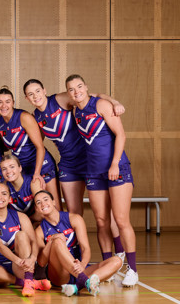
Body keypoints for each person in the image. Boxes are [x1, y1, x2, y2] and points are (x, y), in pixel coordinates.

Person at [66, 74, 138, 287]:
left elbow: (121, 135)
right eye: (71, 89)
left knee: (122, 219)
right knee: (101, 221)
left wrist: (115, 163)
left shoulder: (101, 105)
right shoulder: (75, 109)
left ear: (86, 87)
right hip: (93, 171)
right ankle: (109, 265)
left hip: (117, 168)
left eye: (79, 86)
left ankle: (132, 269)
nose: (76, 91)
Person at [23, 78, 125, 216]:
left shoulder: (60, 99)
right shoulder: (36, 117)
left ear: (44, 91)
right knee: (74, 213)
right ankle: (75, 238)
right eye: (30, 94)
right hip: (68, 165)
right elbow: (37, 144)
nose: (35, 96)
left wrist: (115, 102)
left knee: (106, 215)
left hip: (89, 160)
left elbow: (95, 96)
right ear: (27, 98)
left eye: (37, 91)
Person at [34, 190, 123, 296]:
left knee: (117, 261)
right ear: (37, 209)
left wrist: (83, 264)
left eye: (45, 200)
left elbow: (85, 248)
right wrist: (51, 240)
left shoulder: (74, 219)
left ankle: (77, 286)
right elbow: (41, 262)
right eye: (38, 203)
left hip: (79, 268)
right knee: (57, 241)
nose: (43, 204)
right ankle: (85, 281)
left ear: (54, 202)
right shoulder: (39, 231)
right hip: (60, 275)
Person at [0, 183, 51, 297]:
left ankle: (28, 279)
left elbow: (33, 242)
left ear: (10, 198)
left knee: (21, 235)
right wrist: (18, 261)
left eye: (4, 194)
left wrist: (32, 258)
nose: (0, 197)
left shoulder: (21, 217)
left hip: (20, 267)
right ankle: (26, 282)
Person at [0, 87, 60, 206]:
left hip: (42, 166)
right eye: (0, 102)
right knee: (35, 208)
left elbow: (40, 147)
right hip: (23, 170)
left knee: (54, 205)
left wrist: (37, 172)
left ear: (13, 103)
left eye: (7, 101)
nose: (4, 105)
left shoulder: (24, 117)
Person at [0, 152, 42, 222]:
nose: (8, 171)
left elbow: (42, 212)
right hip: (17, 224)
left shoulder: (33, 182)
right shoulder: (3, 187)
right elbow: (2, 215)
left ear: (20, 168)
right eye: (4, 169)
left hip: (36, 221)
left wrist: (26, 222)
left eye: (12, 167)